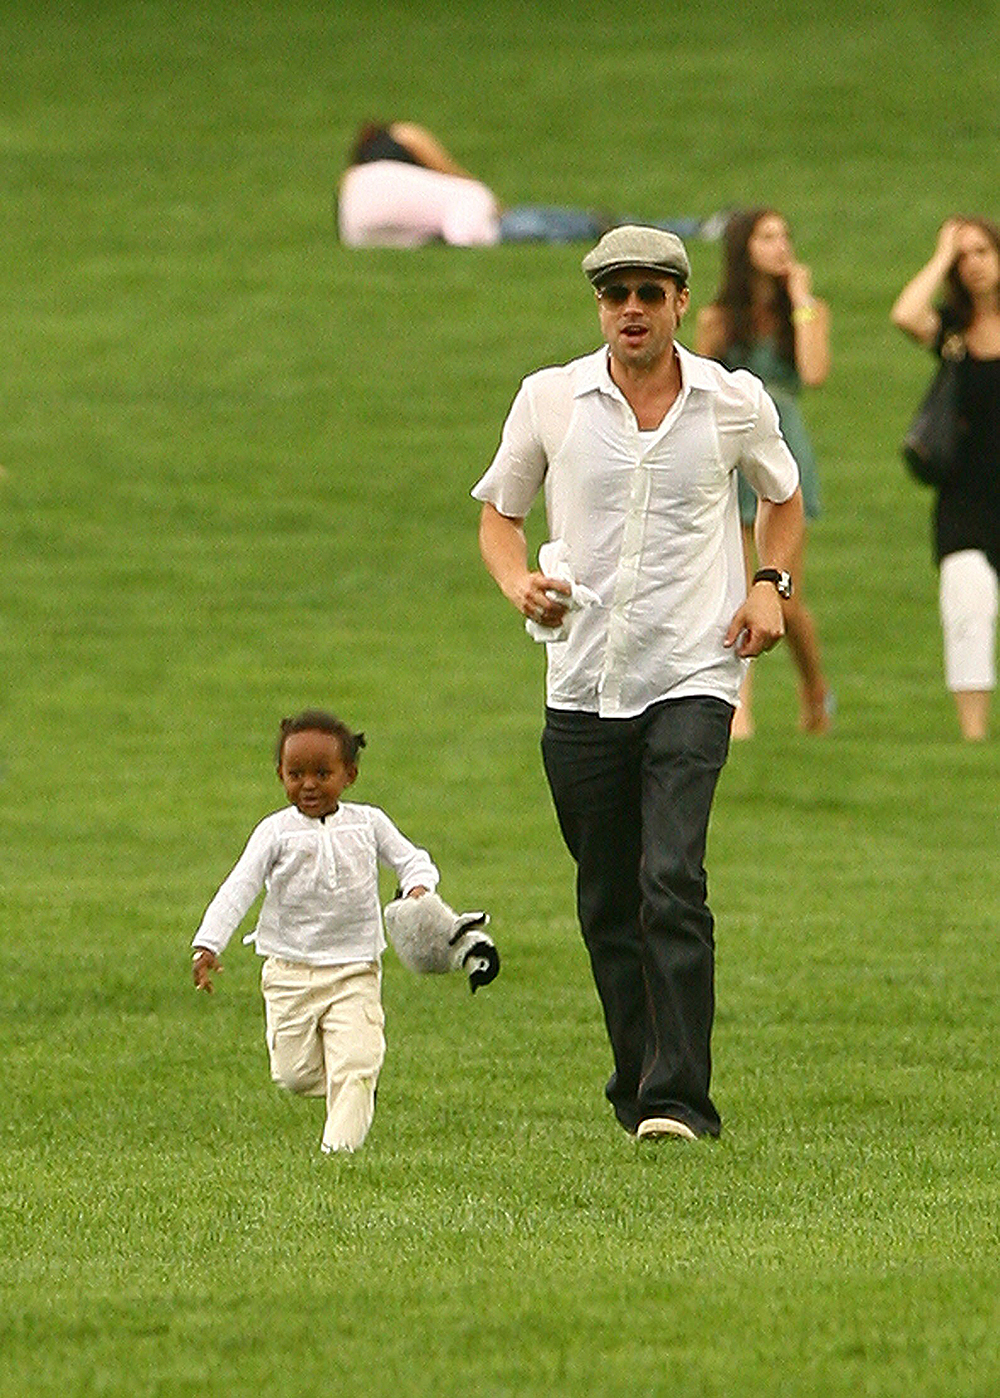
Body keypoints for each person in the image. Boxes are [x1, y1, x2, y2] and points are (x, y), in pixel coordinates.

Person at [472, 225, 804, 1140]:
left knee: (671, 878)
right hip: (582, 683)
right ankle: (638, 1084)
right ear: (599, 305)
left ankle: (679, 1101)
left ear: (680, 303)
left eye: (649, 294)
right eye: (616, 294)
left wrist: (771, 586)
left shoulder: (733, 403)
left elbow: (781, 494)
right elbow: (501, 516)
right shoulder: (550, 399)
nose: (631, 309)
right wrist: (517, 586)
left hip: (694, 671)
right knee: (609, 900)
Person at [191, 709, 439, 1154]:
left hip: (355, 969)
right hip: (289, 972)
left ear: (350, 775)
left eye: (323, 773)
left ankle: (338, 1156)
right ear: (280, 775)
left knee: (358, 1064)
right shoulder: (274, 832)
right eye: (295, 774)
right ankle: (351, 1081)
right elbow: (239, 888)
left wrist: (419, 887)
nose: (308, 784)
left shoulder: (368, 823)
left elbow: (411, 858)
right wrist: (208, 944)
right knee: (295, 1074)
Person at [696, 208, 832, 737]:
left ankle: (815, 688)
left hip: (784, 445)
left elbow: (815, 372)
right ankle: (739, 711)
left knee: (785, 595)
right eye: (767, 236)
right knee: (739, 583)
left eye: (785, 235)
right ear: (743, 247)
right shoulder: (718, 319)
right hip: (733, 451)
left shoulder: (807, 311)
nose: (781, 246)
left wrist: (800, 301)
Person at [891, 217, 1000, 742]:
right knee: (967, 611)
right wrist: (940, 255)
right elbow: (905, 314)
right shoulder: (953, 334)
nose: (974, 263)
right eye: (964, 257)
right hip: (965, 500)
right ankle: (973, 734)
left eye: (982, 251)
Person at [336, 120, 719, 249]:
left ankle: (683, 229)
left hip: (462, 216)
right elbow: (448, 171)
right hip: (465, 213)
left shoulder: (367, 173)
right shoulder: (402, 136)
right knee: (574, 226)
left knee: (571, 227)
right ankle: (687, 228)